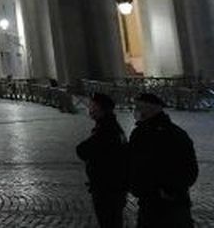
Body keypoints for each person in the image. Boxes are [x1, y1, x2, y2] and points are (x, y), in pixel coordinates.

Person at [129, 92, 197, 227]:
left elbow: (189, 169)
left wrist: (170, 190)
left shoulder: (171, 135)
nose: (135, 111)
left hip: (169, 204)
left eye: (138, 107)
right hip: (149, 201)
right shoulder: (140, 132)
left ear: (150, 109)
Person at [76, 92, 129, 228]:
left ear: (102, 109)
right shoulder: (111, 126)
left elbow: (83, 150)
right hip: (112, 185)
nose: (90, 110)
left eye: (93, 107)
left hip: (108, 187)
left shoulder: (107, 129)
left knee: (109, 221)